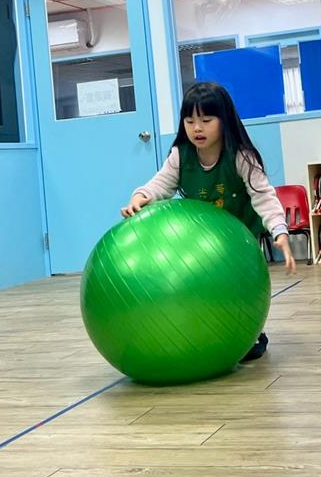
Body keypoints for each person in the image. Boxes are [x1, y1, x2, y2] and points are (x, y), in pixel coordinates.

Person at [121, 81, 296, 360]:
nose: (197, 128)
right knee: (203, 287)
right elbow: (161, 184)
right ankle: (200, 330)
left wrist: (279, 231)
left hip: (239, 240)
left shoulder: (241, 156)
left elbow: (264, 196)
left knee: (239, 287)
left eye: (206, 120)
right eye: (189, 121)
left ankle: (250, 332)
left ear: (224, 120)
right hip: (199, 243)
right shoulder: (181, 155)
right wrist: (141, 196)